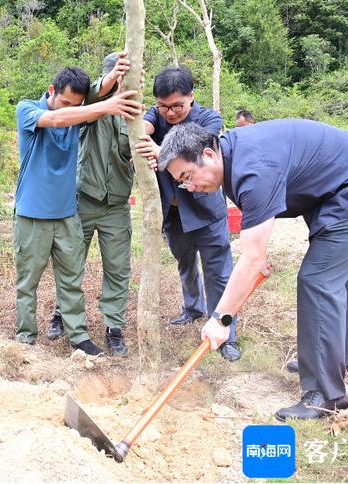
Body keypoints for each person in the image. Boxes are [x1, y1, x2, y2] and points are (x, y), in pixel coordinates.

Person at [155, 120, 348, 420]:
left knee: (319, 280)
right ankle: (333, 361)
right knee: (337, 279)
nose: (189, 187)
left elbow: (252, 257)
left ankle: (324, 395)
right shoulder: (233, 156)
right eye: (181, 182)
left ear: (209, 154)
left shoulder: (252, 170)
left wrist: (220, 318)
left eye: (188, 176)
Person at [14, 66, 142, 356]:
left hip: (67, 214)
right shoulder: (28, 110)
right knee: (28, 282)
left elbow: (87, 107)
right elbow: (58, 118)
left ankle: (79, 337)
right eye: (66, 101)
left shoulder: (77, 118)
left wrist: (111, 81)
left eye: (77, 105)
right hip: (32, 215)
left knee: (72, 279)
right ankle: (25, 338)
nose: (70, 108)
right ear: (51, 91)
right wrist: (103, 105)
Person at [134, 66, 240, 362]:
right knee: (185, 262)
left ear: (191, 97)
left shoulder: (209, 119)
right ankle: (192, 308)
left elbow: (197, 148)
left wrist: (159, 151)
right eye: (163, 106)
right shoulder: (157, 115)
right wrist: (139, 126)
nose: (170, 113)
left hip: (206, 210)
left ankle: (226, 333)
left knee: (218, 270)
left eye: (177, 106)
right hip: (174, 212)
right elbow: (144, 126)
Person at [46, 53, 135, 357]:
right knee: (71, 262)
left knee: (118, 268)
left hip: (117, 205)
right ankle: (61, 313)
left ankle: (114, 327)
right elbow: (95, 95)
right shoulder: (87, 108)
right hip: (83, 199)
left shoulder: (134, 113)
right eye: (115, 76)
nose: (120, 82)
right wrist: (110, 83)